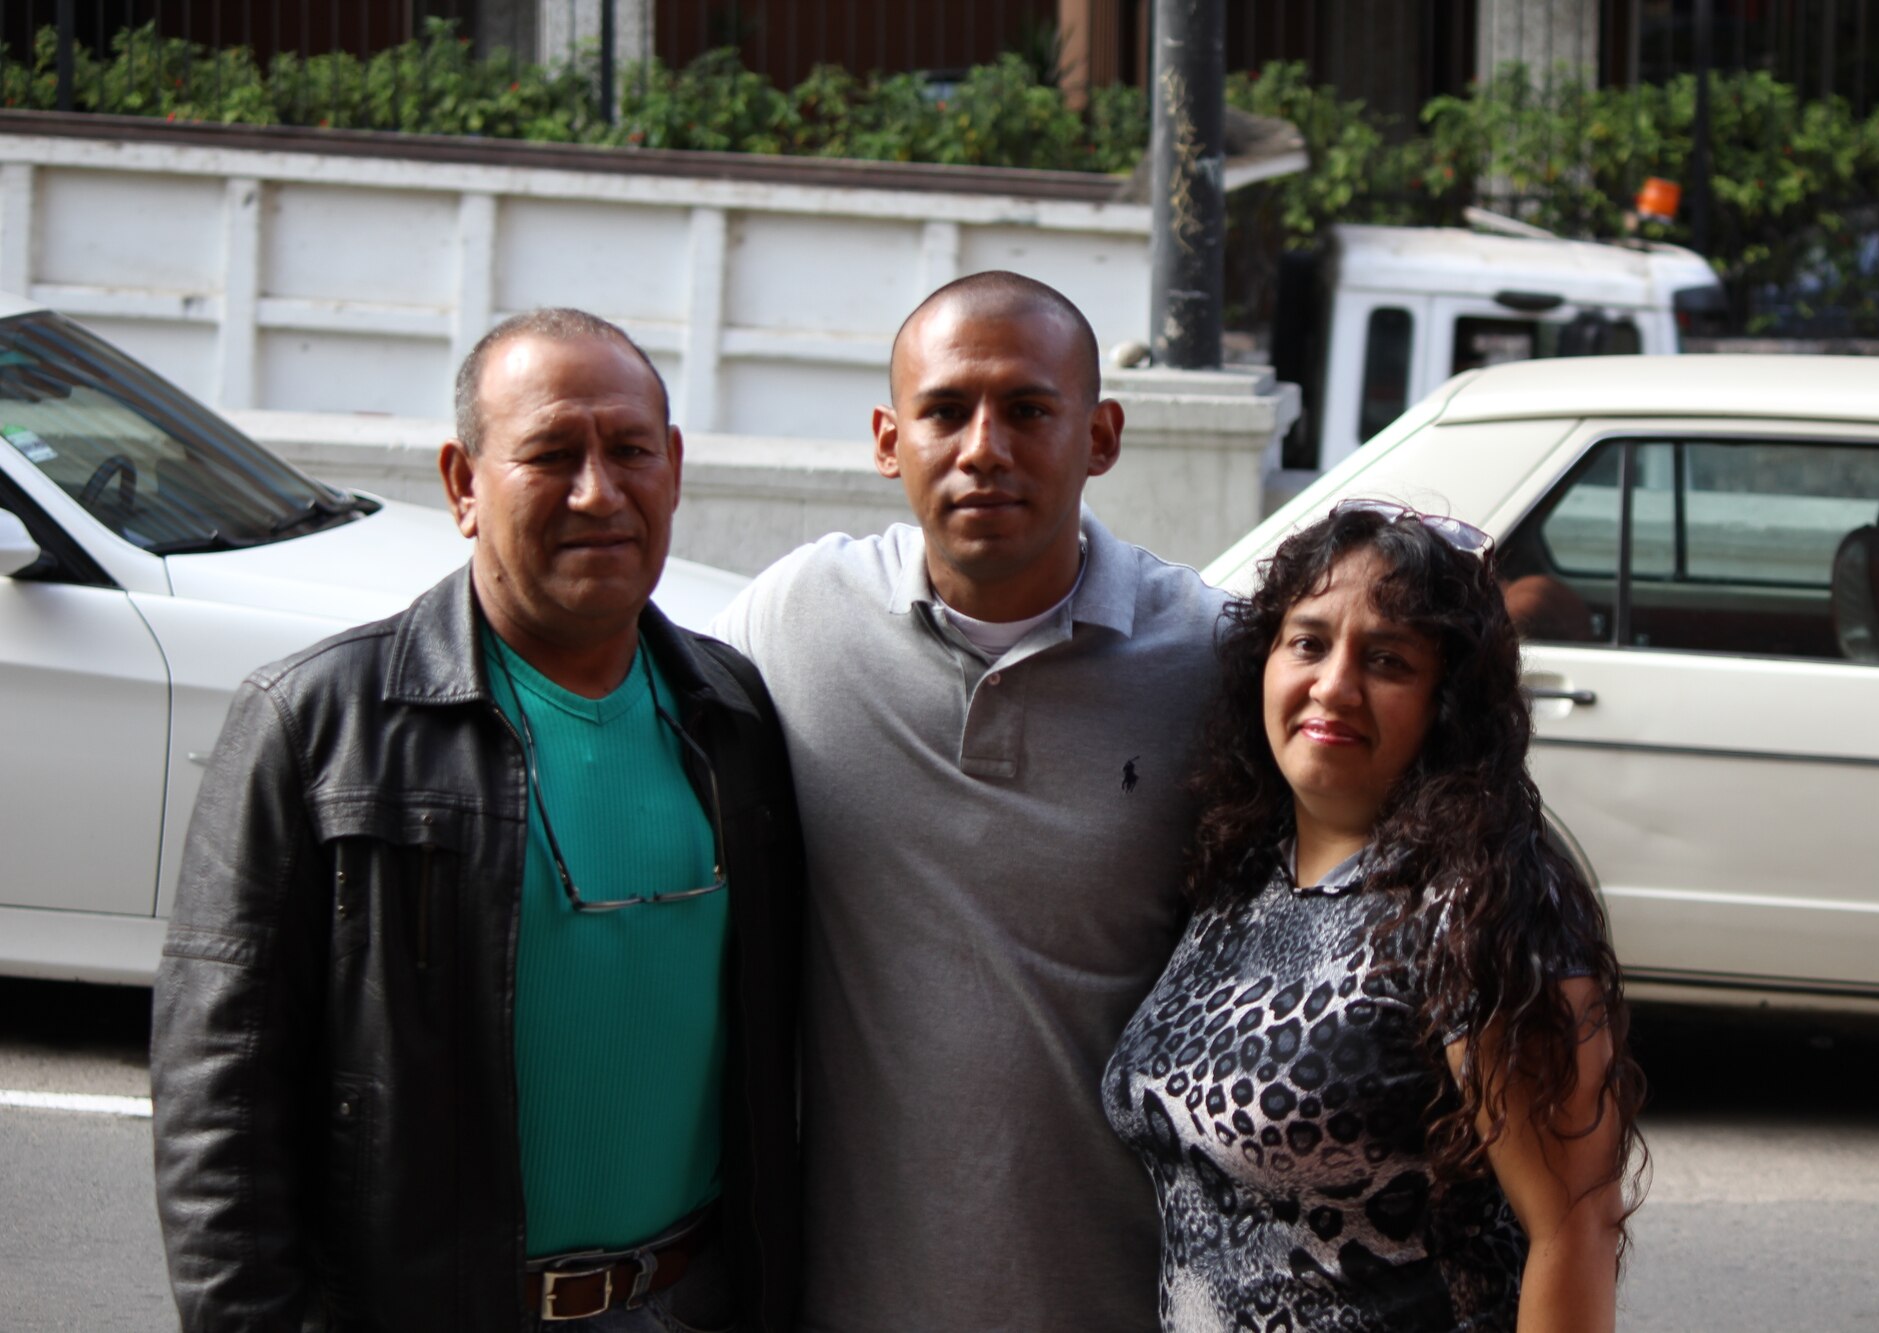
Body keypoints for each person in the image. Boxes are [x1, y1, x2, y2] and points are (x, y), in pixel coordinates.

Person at [151, 308, 804, 1332]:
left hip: (693, 1301)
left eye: (630, 450)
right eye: (550, 454)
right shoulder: (317, 724)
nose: (600, 491)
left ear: (672, 466)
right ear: (463, 483)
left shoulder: (733, 716)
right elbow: (219, 1106)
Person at [710, 271, 1225, 1330]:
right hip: (847, 1299)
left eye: (1028, 409)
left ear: (1101, 435)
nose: (982, 446)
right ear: (888, 438)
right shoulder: (793, 620)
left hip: (1120, 1300)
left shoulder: (1212, 658)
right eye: (944, 410)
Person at [1102, 499, 1644, 1332]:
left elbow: (1573, 1225)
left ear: (1446, 701)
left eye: (1387, 659)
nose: (1335, 684)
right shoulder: (1240, 870)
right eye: (1309, 642)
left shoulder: (1481, 900)